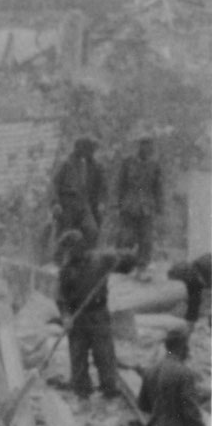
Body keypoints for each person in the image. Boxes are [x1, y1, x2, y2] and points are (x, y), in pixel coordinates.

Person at [55, 230, 132, 400]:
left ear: (80, 246)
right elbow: (61, 297)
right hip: (77, 318)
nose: (68, 254)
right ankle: (82, 392)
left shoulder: (101, 259)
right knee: (78, 356)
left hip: (98, 314)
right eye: (66, 250)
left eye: (70, 249)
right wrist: (66, 316)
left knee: (104, 354)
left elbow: (126, 263)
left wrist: (126, 256)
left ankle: (109, 390)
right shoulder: (66, 270)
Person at [114, 135, 164, 270]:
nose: (147, 148)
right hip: (129, 203)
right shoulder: (128, 162)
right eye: (144, 145)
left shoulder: (154, 165)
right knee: (127, 236)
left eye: (149, 146)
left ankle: (143, 265)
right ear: (139, 146)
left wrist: (160, 206)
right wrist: (118, 203)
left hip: (147, 205)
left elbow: (158, 187)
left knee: (146, 238)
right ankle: (122, 264)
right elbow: (120, 184)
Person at [52, 136, 105, 250]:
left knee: (92, 230)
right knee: (66, 234)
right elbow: (55, 184)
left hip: (83, 203)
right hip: (67, 202)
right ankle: (60, 260)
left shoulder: (91, 165)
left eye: (89, 149)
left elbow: (100, 186)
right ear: (77, 148)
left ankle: (85, 257)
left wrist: (100, 202)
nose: (88, 152)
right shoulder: (66, 163)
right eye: (85, 148)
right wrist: (56, 203)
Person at [167, 253, 212, 326]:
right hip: (196, 274)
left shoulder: (192, 276)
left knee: (194, 300)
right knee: (194, 300)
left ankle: (191, 321)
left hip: (196, 273)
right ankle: (191, 322)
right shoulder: (194, 276)